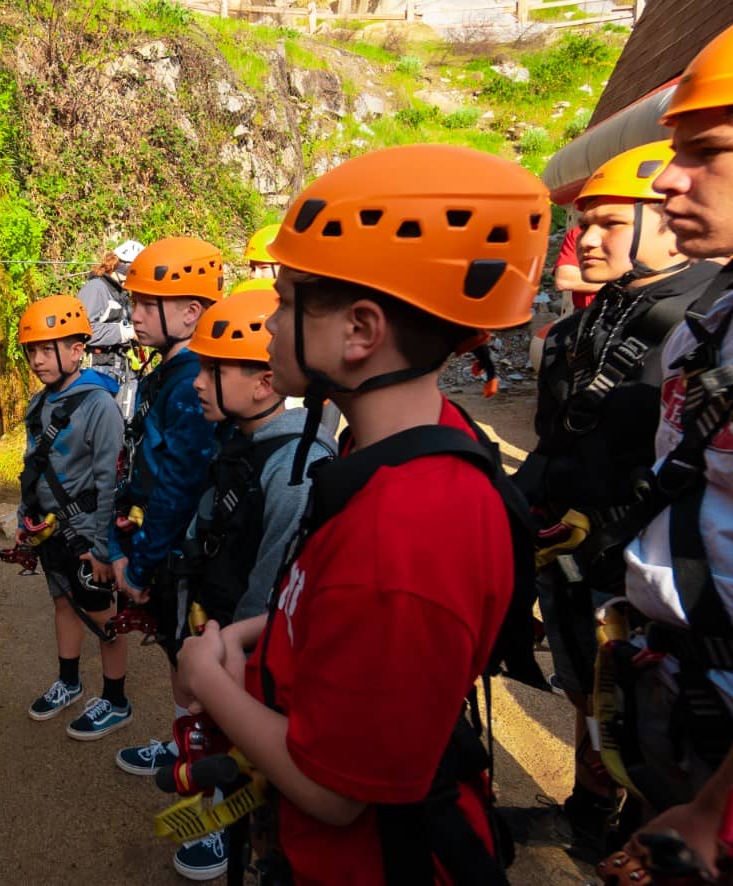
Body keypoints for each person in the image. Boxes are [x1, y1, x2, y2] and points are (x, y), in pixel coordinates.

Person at [176, 144, 549, 884]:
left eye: (287, 300)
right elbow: (339, 609)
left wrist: (207, 678)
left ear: (360, 332)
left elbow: (335, 795)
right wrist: (256, 633)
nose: (269, 323)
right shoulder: (410, 442)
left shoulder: (400, 535)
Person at [514, 139, 719, 855]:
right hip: (574, 551)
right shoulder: (584, 325)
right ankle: (590, 812)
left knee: (653, 720)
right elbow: (553, 442)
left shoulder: (712, 322)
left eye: (608, 223)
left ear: (670, 222)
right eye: (584, 224)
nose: (588, 240)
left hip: (653, 566)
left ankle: (642, 833)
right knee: (586, 691)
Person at [611, 1, 733, 859]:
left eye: (707, 153)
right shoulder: (711, 325)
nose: (667, 181)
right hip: (674, 686)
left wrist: (723, 804)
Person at [163, 279, 335, 880]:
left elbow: (273, 582)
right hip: (216, 621)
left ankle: (228, 825)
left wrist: (229, 652)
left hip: (245, 645)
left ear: (264, 383)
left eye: (213, 370)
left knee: (243, 744)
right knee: (213, 734)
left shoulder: (293, 470)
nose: (197, 382)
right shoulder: (242, 440)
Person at [106, 236, 222, 792]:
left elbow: (178, 484)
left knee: (193, 658)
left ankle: (206, 766)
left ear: (191, 312)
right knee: (180, 654)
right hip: (163, 544)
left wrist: (141, 564)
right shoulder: (167, 375)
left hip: (181, 550)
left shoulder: (191, 383)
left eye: (146, 305)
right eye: (133, 303)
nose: (134, 315)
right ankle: (185, 744)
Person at [12, 295, 131, 740]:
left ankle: (116, 699)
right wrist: (25, 519)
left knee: (103, 616)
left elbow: (110, 481)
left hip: (87, 534)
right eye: (32, 351)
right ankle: (70, 681)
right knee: (63, 601)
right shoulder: (39, 403)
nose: (37, 360)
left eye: (48, 349)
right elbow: (32, 466)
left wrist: (103, 548)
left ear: (78, 349)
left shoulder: (99, 406)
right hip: (51, 530)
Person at [78, 239, 144, 417]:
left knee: (127, 422)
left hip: (125, 368)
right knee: (104, 422)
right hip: (101, 370)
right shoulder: (96, 289)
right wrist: (128, 332)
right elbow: (85, 331)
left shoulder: (121, 293)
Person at [555, 224, 605, 314]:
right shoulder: (579, 232)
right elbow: (565, 280)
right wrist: (617, 283)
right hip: (586, 313)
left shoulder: (631, 235)